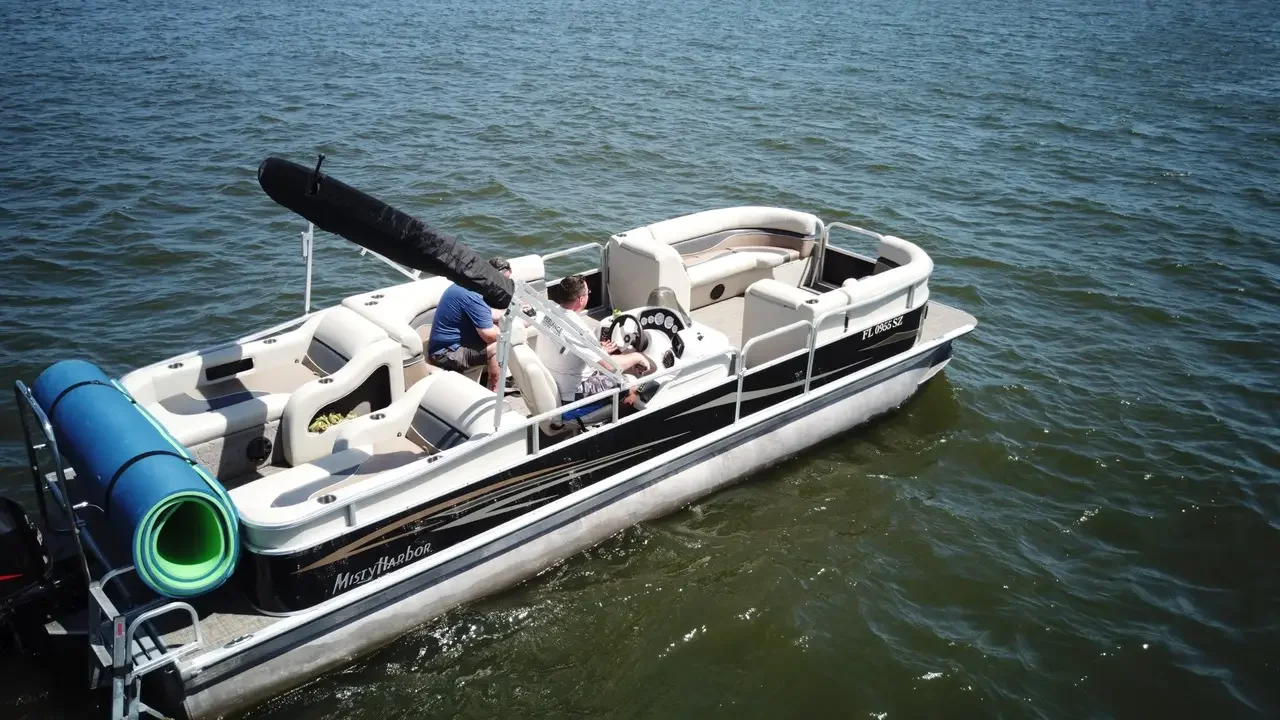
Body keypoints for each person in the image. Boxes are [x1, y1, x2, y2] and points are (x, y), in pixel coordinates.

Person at [536, 275, 651, 406]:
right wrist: (637, 357)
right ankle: (621, 418)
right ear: (581, 299)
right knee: (630, 384)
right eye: (588, 293)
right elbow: (610, 367)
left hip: (554, 381)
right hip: (572, 393)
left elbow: (569, 345)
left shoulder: (549, 312)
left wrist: (598, 350)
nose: (588, 296)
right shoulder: (579, 330)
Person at [426, 257, 511, 390]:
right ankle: (495, 389)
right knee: (501, 344)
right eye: (503, 282)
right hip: (445, 353)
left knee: (501, 333)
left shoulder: (469, 285)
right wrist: (512, 330)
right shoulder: (474, 296)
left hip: (454, 344)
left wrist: (515, 313)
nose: (505, 287)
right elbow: (488, 335)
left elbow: (488, 313)